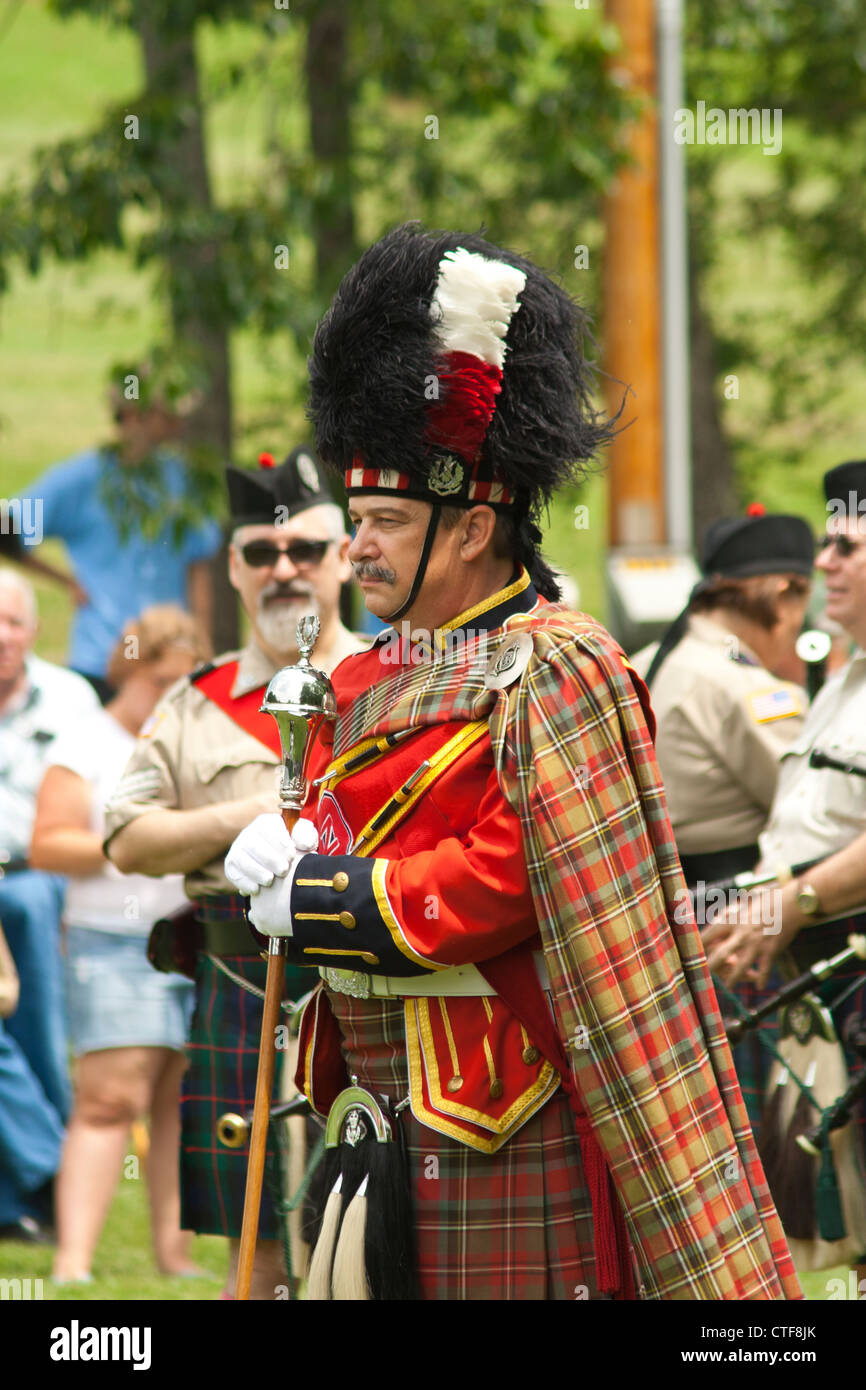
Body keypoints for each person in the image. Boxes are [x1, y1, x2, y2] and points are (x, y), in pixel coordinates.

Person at [225, 224, 800, 1301]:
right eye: (356, 521)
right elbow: (351, 828)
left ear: (474, 525)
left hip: (504, 1119)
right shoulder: (365, 673)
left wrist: (323, 892)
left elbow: (513, 877)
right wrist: (280, 851)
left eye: (387, 522)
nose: (357, 549)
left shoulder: (553, 666)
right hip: (377, 1106)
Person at [103, 447, 364, 1300]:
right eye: (261, 553)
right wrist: (239, 821)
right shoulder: (195, 701)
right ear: (234, 569)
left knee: (374, 1226)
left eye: (305, 552)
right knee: (257, 1247)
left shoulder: (391, 684)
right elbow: (126, 839)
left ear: (345, 557)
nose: (283, 570)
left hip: (367, 976)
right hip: (237, 982)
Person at [704, 461, 866, 1258]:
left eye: (846, 545)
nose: (824, 562)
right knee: (838, 1229)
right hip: (818, 983)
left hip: (847, 963)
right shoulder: (842, 679)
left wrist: (790, 903)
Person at [30, 605, 209, 1282]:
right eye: (159, 679)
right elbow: (47, 843)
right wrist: (133, 848)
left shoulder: (194, 740)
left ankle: (173, 1257)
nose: (170, 695)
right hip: (112, 940)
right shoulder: (85, 743)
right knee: (110, 1100)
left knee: (178, 1103)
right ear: (129, 669)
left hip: (190, 940)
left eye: (185, 682)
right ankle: (73, 1262)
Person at [638, 510, 814, 1127]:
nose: (799, 626)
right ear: (779, 592)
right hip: (737, 930)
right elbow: (811, 813)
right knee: (757, 1136)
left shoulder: (649, 660)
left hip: (665, 922)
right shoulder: (745, 688)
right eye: (802, 601)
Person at [0, 361, 222, 700]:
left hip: (169, 661)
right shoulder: (84, 480)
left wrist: (203, 652)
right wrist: (65, 579)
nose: (177, 424)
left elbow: (198, 565)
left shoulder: (181, 480)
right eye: (166, 414)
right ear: (135, 417)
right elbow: (8, 530)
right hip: (100, 663)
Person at [0, 568, 99, 1242]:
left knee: (29, 910)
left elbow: (95, 808)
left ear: (35, 629)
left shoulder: (69, 699)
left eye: (11, 621)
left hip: (40, 879)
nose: (1, 636)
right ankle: (47, 1171)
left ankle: (26, 1189)